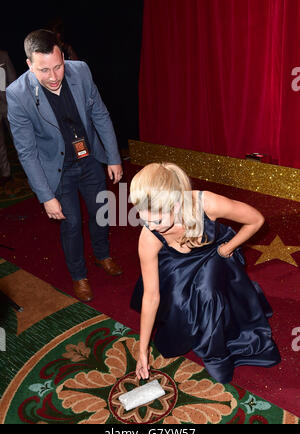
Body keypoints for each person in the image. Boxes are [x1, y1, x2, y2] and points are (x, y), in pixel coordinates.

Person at [130, 162, 281, 384]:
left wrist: (227, 249)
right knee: (179, 302)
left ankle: (220, 352)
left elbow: (256, 220)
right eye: (144, 218)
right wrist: (142, 349)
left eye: (158, 220)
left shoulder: (207, 203)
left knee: (207, 293)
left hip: (214, 253)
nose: (151, 226)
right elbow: (151, 296)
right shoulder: (149, 236)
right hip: (177, 262)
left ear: (177, 203)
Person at [6, 29, 123, 302]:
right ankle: (78, 275)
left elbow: (100, 114)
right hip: (57, 169)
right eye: (44, 70)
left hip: (90, 157)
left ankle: (102, 255)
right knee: (70, 225)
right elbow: (27, 151)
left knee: (101, 212)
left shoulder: (80, 70)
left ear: (63, 56)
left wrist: (114, 157)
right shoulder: (17, 94)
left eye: (58, 66)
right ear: (29, 65)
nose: (54, 76)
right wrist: (46, 196)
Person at [0, 50, 17, 185]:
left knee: (18, 139)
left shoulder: (3, 55)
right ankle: (6, 173)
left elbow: (12, 79)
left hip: (8, 105)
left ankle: (30, 169)